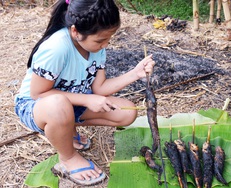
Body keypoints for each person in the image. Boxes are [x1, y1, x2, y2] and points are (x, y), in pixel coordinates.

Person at [14, 0, 155, 186]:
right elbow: (38, 93)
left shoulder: (96, 47)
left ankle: (64, 129)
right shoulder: (56, 48)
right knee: (58, 105)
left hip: (71, 103)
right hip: (36, 106)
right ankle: (68, 158)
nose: (105, 45)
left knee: (127, 112)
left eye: (109, 39)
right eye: (100, 40)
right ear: (75, 32)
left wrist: (135, 74)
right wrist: (87, 99)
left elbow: (100, 88)